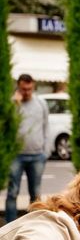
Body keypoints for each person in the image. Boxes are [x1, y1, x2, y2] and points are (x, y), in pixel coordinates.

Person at [5, 74, 49, 223]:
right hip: (16, 155)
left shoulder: (41, 103)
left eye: (29, 89)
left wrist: (46, 151)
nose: (27, 92)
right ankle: (9, 227)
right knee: (12, 193)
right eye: (24, 89)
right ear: (18, 87)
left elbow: (46, 127)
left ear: (33, 86)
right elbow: (8, 125)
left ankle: (34, 226)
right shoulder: (13, 104)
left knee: (35, 194)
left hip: (37, 156)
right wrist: (15, 105)